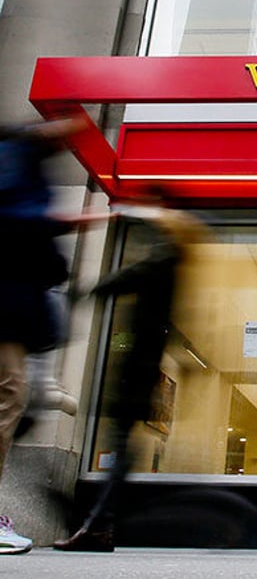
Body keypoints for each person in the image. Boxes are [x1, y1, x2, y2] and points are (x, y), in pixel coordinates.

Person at [53, 195, 206, 552]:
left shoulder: (165, 256)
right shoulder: (175, 259)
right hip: (143, 365)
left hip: (137, 366)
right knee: (123, 447)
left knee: (122, 448)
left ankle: (99, 523)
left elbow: (128, 278)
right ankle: (98, 523)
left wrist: (87, 290)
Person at [0, 116, 92, 554]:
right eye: (65, 128)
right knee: (8, 398)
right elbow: (13, 217)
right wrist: (59, 219)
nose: (70, 138)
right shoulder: (14, 157)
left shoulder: (29, 163)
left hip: (17, 308)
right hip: (8, 307)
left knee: (11, 399)